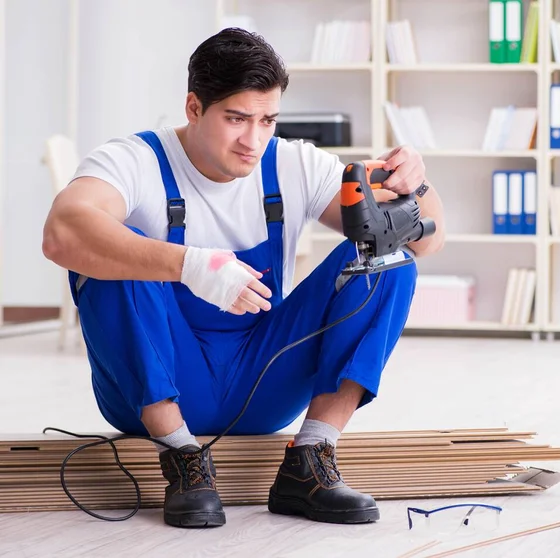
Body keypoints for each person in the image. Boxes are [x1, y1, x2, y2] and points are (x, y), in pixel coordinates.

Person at [42, 27, 445, 529]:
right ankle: (183, 459)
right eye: (236, 119)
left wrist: (419, 184)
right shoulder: (135, 161)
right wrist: (189, 264)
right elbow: (61, 234)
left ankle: (311, 459)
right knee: (107, 248)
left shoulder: (294, 164)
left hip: (262, 380)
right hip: (152, 388)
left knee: (387, 260)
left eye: (267, 120)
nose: (253, 140)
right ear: (194, 107)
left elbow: (424, 243)